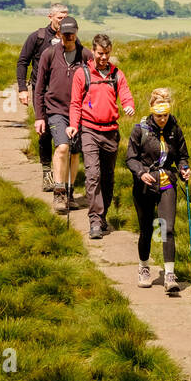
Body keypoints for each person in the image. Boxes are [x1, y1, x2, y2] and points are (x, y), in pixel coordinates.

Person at [67, 34, 135, 239]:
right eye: (100, 53)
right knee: (92, 175)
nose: (103, 57)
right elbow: (75, 103)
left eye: (106, 53)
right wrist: (72, 126)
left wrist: (128, 105)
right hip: (89, 130)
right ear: (93, 51)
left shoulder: (116, 74)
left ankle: (103, 215)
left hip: (111, 131)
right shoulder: (83, 74)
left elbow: (125, 93)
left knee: (107, 177)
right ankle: (95, 220)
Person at [124, 88, 191, 294]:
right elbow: (130, 158)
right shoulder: (140, 130)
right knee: (146, 229)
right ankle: (144, 267)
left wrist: (184, 169)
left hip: (167, 182)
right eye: (159, 116)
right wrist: (140, 172)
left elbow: (182, 156)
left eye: (165, 115)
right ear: (152, 112)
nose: (162, 119)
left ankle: (170, 275)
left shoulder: (175, 129)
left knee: (167, 228)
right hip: (145, 184)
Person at [33, 17, 92, 214]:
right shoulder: (49, 54)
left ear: (76, 32)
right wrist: (40, 117)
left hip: (80, 111)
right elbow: (39, 88)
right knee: (62, 147)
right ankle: (58, 193)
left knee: (75, 153)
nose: (69, 37)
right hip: (55, 110)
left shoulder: (86, 55)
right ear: (59, 34)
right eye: (65, 34)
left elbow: (94, 86)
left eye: (72, 33)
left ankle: (69, 192)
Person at [16, 2, 68, 190]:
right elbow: (22, 62)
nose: (63, 21)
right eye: (59, 17)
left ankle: (62, 172)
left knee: (64, 133)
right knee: (45, 132)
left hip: (63, 93)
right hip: (41, 91)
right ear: (50, 17)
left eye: (66, 17)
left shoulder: (70, 38)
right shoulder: (37, 37)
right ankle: (47, 173)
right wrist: (22, 88)